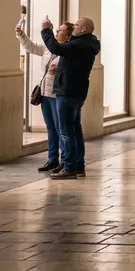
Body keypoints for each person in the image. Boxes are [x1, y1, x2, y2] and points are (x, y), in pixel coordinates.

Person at [41, 16, 100, 180]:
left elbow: (55, 47)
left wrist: (46, 30)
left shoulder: (78, 45)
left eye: (77, 25)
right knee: (75, 130)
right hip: (76, 91)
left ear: (83, 29)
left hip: (67, 92)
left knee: (66, 131)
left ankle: (69, 167)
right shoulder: (87, 44)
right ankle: (78, 166)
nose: (74, 26)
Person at [17, 20, 74, 173]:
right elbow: (32, 47)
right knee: (50, 128)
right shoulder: (49, 48)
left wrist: (59, 69)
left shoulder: (69, 51)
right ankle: (52, 159)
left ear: (68, 35)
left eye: (61, 30)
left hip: (57, 95)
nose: (57, 32)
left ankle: (64, 161)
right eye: (58, 29)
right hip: (44, 94)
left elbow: (71, 69)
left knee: (60, 128)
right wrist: (21, 35)